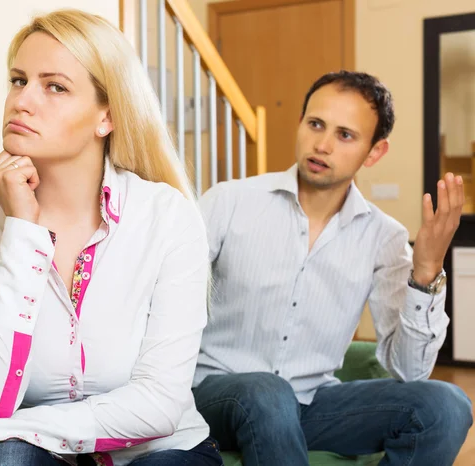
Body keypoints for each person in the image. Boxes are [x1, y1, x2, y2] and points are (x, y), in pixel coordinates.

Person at [0, 9, 223, 466]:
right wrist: (22, 230)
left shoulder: (168, 216)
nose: (23, 101)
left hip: (163, 451)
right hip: (42, 457)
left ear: (107, 117)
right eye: (18, 80)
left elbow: (159, 405)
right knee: (3, 461)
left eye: (54, 86)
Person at [192, 70, 472, 466]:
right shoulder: (229, 202)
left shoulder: (384, 237)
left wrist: (425, 273)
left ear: (374, 153)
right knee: (267, 393)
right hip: (216, 397)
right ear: (301, 123)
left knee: (447, 405)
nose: (322, 144)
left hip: (311, 403)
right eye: (315, 124)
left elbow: (410, 371)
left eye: (345, 135)